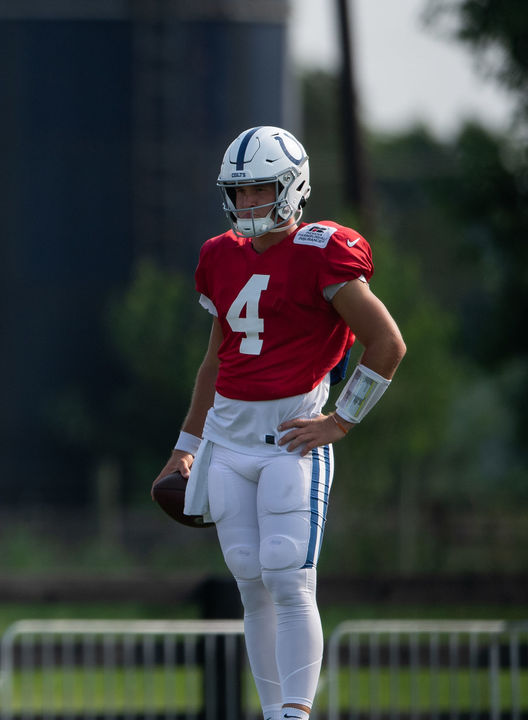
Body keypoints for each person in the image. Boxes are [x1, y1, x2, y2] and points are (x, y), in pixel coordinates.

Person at [155, 126, 405, 720]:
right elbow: (215, 361)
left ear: (292, 187)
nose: (248, 205)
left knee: (289, 577)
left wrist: (340, 421)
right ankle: (274, 714)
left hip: (291, 439)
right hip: (227, 441)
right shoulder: (219, 255)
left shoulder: (323, 249)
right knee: (250, 582)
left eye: (260, 190)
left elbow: (387, 344)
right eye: (239, 193)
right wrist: (184, 446)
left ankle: (295, 714)